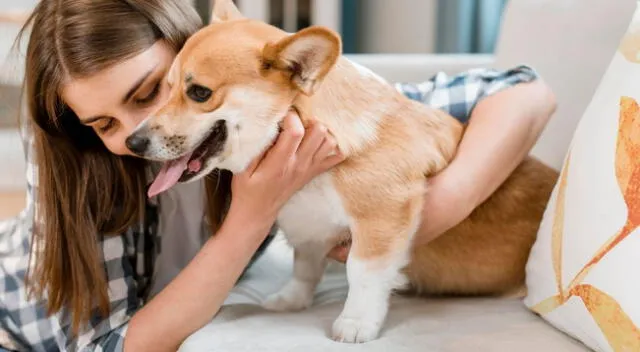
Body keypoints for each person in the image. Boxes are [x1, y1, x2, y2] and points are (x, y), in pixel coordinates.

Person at [0, 0, 556, 351]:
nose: (134, 137)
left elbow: (525, 91)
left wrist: (439, 208)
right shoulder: (93, 177)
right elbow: (115, 344)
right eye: (101, 123)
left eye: (152, 91)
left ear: (185, 47)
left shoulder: (272, 109)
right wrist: (252, 211)